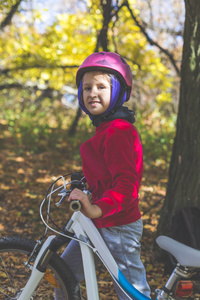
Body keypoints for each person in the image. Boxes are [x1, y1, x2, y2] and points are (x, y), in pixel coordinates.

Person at [56, 51, 151, 299]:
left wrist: (97, 208)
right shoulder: (106, 130)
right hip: (97, 223)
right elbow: (107, 175)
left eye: (101, 86)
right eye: (86, 88)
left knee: (131, 291)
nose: (92, 93)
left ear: (118, 91)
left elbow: (126, 184)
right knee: (64, 274)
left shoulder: (118, 130)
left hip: (118, 225)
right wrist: (86, 185)